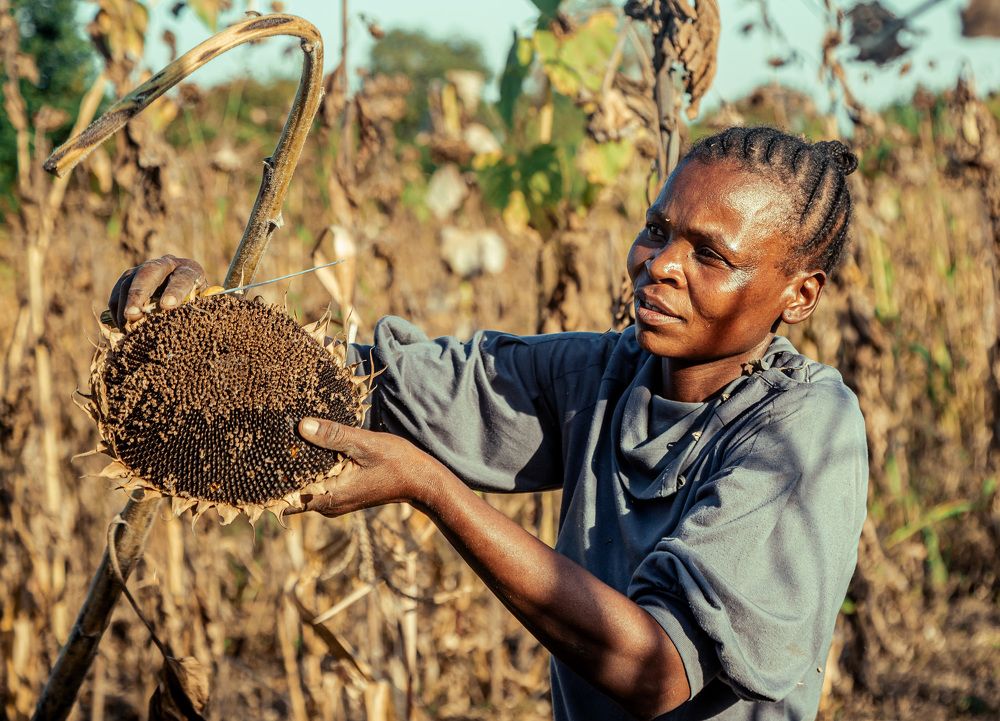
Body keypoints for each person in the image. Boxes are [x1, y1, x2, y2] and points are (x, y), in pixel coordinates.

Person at [108, 126, 868, 721]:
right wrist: (203, 330)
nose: (660, 264)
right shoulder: (603, 376)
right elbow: (372, 389)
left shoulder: (804, 433)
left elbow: (657, 671)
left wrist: (433, 490)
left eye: (710, 254)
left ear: (799, 295)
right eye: (657, 228)